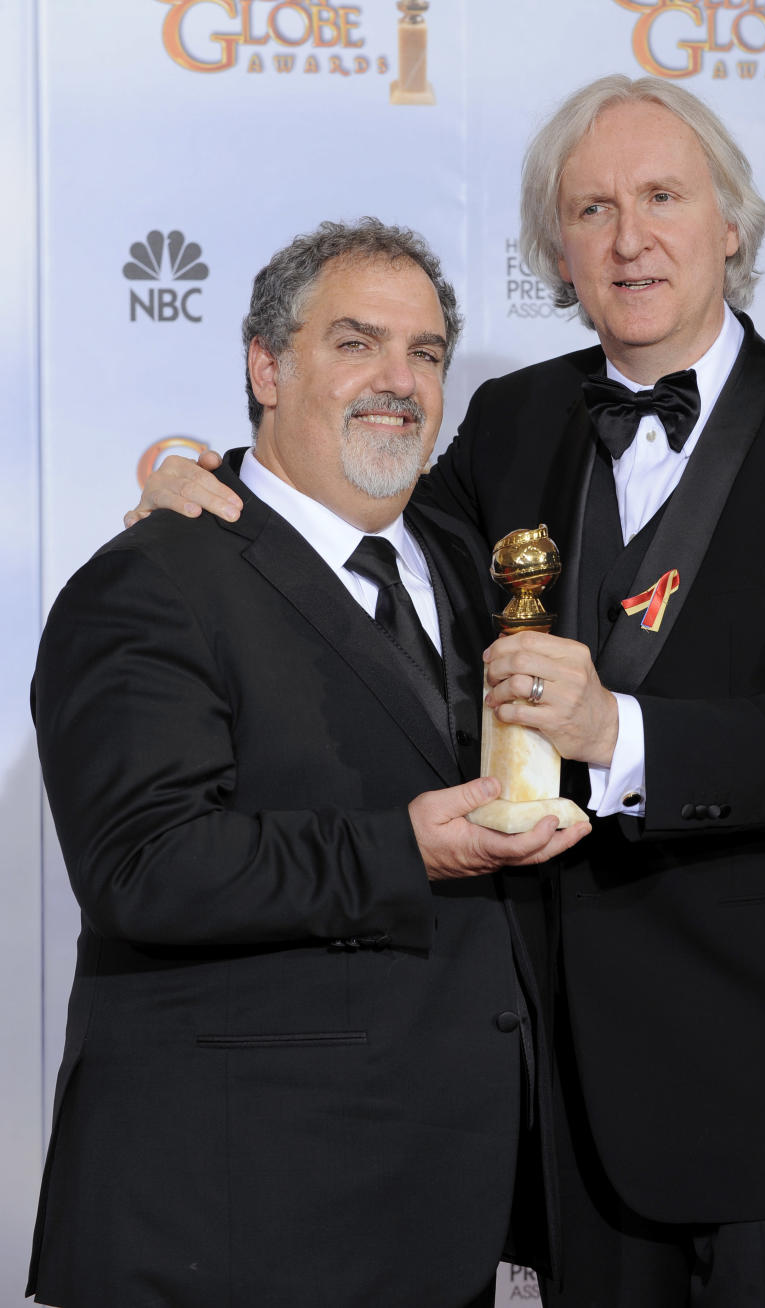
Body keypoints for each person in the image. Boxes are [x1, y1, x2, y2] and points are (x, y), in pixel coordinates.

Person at [127, 78, 765, 1307]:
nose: (630, 238)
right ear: (556, 253)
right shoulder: (512, 421)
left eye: (663, 197)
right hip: (577, 1092)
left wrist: (613, 731)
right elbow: (359, 509)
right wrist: (204, 477)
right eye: (591, 208)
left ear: (732, 224)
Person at [30, 218, 589, 1308]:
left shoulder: (466, 566)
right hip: (231, 1225)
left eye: (425, 354)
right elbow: (145, 865)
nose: (399, 381)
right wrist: (406, 851)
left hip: (439, 1221)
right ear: (265, 366)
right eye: (356, 343)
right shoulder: (150, 582)